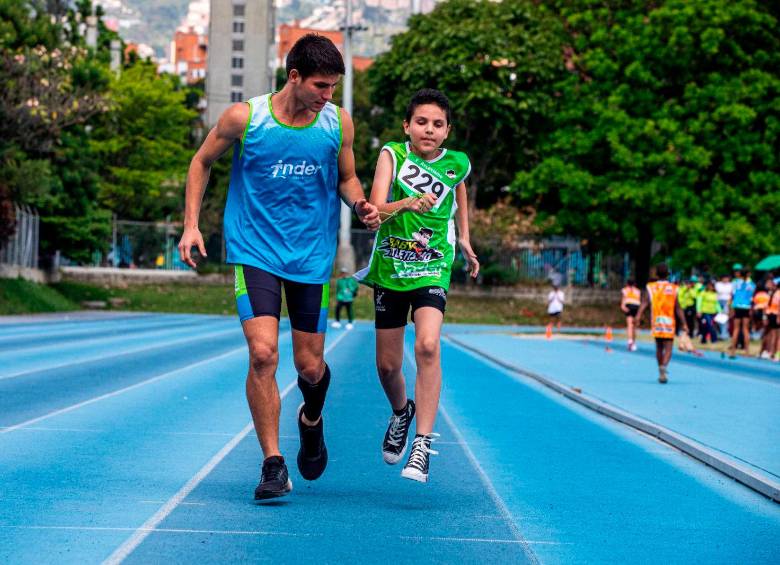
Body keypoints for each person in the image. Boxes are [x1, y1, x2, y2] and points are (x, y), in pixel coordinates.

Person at [177, 34, 379, 501]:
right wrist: (191, 225)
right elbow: (201, 162)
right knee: (264, 354)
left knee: (309, 367)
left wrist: (360, 204)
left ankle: (311, 419)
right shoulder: (246, 118)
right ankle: (273, 463)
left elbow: (348, 178)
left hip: (310, 256)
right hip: (255, 251)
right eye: (321, 86)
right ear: (294, 77)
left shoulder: (337, 123)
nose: (328, 95)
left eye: (333, 87)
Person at [357, 88, 479, 483]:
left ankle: (422, 444)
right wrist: (406, 203)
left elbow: (459, 194)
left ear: (447, 131)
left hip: (433, 266)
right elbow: (374, 212)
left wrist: (464, 239)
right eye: (421, 122)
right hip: (392, 267)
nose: (429, 130)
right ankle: (401, 412)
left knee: (427, 345)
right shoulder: (393, 155)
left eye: (437, 124)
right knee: (387, 366)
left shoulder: (457, 163)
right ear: (407, 126)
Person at [636, 263, 689, 384]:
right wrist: (684, 323)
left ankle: (660, 367)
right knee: (668, 347)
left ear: (656, 274)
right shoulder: (674, 288)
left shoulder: (651, 287)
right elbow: (678, 308)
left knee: (659, 347)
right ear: (668, 274)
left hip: (656, 320)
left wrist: (638, 316)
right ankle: (664, 366)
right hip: (669, 321)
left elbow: (645, 302)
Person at [728, 264, 755, 358]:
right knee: (745, 329)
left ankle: (733, 351)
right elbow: (752, 297)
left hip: (737, 306)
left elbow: (732, 295)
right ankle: (747, 351)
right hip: (746, 307)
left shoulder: (735, 283)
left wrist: (730, 308)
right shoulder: (751, 284)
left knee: (736, 329)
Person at [696, 280, 721, 344]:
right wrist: (698, 311)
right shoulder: (703, 293)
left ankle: (703, 339)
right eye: (709, 285)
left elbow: (716, 303)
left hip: (713, 312)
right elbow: (699, 302)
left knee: (706, 326)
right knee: (710, 325)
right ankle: (714, 339)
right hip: (705, 312)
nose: (711, 287)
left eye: (712, 286)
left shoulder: (715, 294)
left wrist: (720, 311)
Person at [620, 279, 641, 351]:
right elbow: (639, 300)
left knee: (629, 325)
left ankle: (630, 341)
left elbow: (623, 300)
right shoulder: (638, 291)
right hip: (636, 307)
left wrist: (623, 307)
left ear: (627, 284)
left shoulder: (625, 290)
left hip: (629, 306)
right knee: (634, 326)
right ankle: (633, 343)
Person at [765, 280, 780, 361]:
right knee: (775, 336)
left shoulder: (775, 293)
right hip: (774, 315)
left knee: (774, 335)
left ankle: (773, 352)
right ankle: (773, 352)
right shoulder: (775, 293)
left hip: (773, 315)